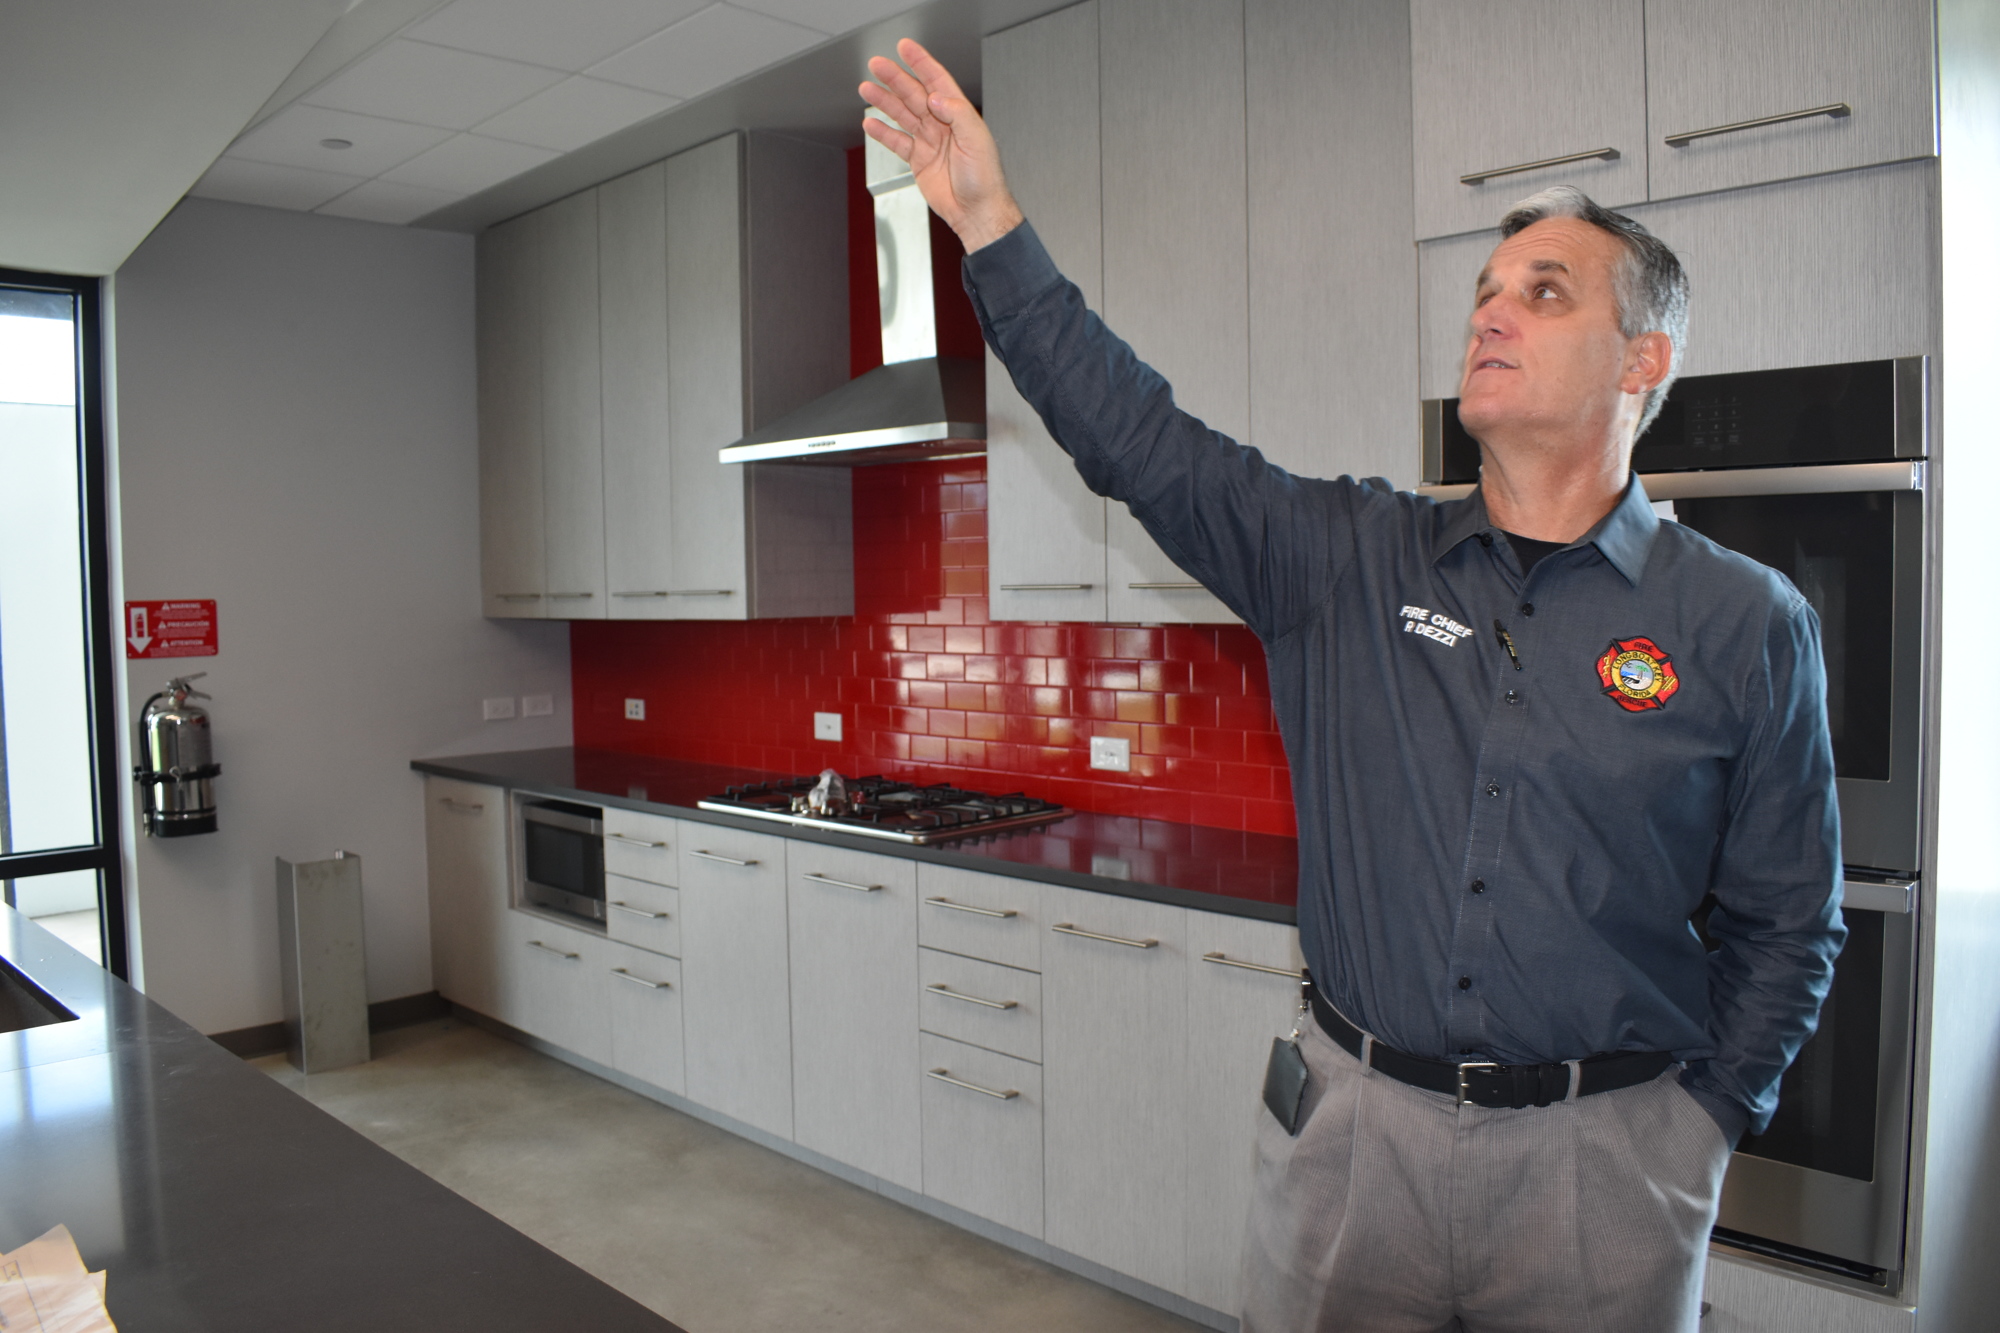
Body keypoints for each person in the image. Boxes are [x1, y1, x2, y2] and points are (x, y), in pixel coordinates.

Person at [860, 37, 1844, 1333]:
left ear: (1642, 360)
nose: (1489, 311)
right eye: (1486, 289)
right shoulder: (1346, 558)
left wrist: (1698, 1129)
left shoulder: (1743, 621)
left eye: (1544, 293)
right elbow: (1138, 438)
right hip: (1354, 1140)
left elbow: (1791, 923)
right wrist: (988, 222)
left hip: (1602, 1163)